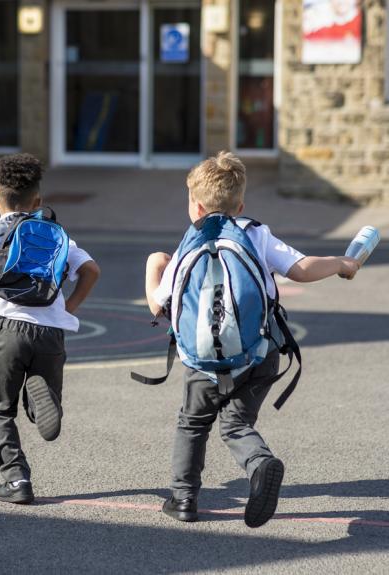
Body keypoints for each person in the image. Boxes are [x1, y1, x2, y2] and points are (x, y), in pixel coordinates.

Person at [145, 151, 360, 527]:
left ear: (195, 206)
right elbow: (301, 268)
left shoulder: (188, 243)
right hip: (259, 353)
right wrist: (342, 263)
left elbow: (158, 306)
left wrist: (153, 267)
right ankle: (260, 464)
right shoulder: (255, 232)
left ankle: (183, 499)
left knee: (192, 423)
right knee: (236, 424)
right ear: (240, 204)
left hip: (203, 362)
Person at [0, 153, 100, 504]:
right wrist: (68, 307)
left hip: (7, 331)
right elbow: (91, 270)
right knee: (40, 402)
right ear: (38, 202)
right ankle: (43, 393)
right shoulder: (57, 236)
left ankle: (17, 480)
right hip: (52, 332)